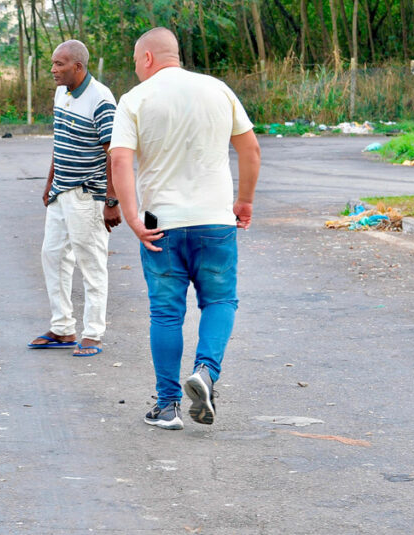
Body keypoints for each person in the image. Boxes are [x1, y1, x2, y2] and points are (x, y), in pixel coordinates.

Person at [109, 27, 261, 430]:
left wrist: (132, 216)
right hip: (215, 220)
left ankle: (167, 405)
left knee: (166, 314)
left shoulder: (135, 99)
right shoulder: (218, 89)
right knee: (220, 302)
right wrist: (243, 201)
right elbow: (251, 149)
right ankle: (206, 372)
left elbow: (120, 161)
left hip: (163, 224)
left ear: (146, 59)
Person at [27, 40, 121, 357]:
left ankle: (92, 334)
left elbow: (115, 154)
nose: (53, 70)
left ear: (77, 67)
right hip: (61, 191)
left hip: (88, 194)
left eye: (59, 64)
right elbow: (60, 140)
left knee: (91, 265)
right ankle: (63, 328)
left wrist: (112, 200)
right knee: (52, 256)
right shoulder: (62, 93)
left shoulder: (101, 101)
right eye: (52, 63)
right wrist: (50, 180)